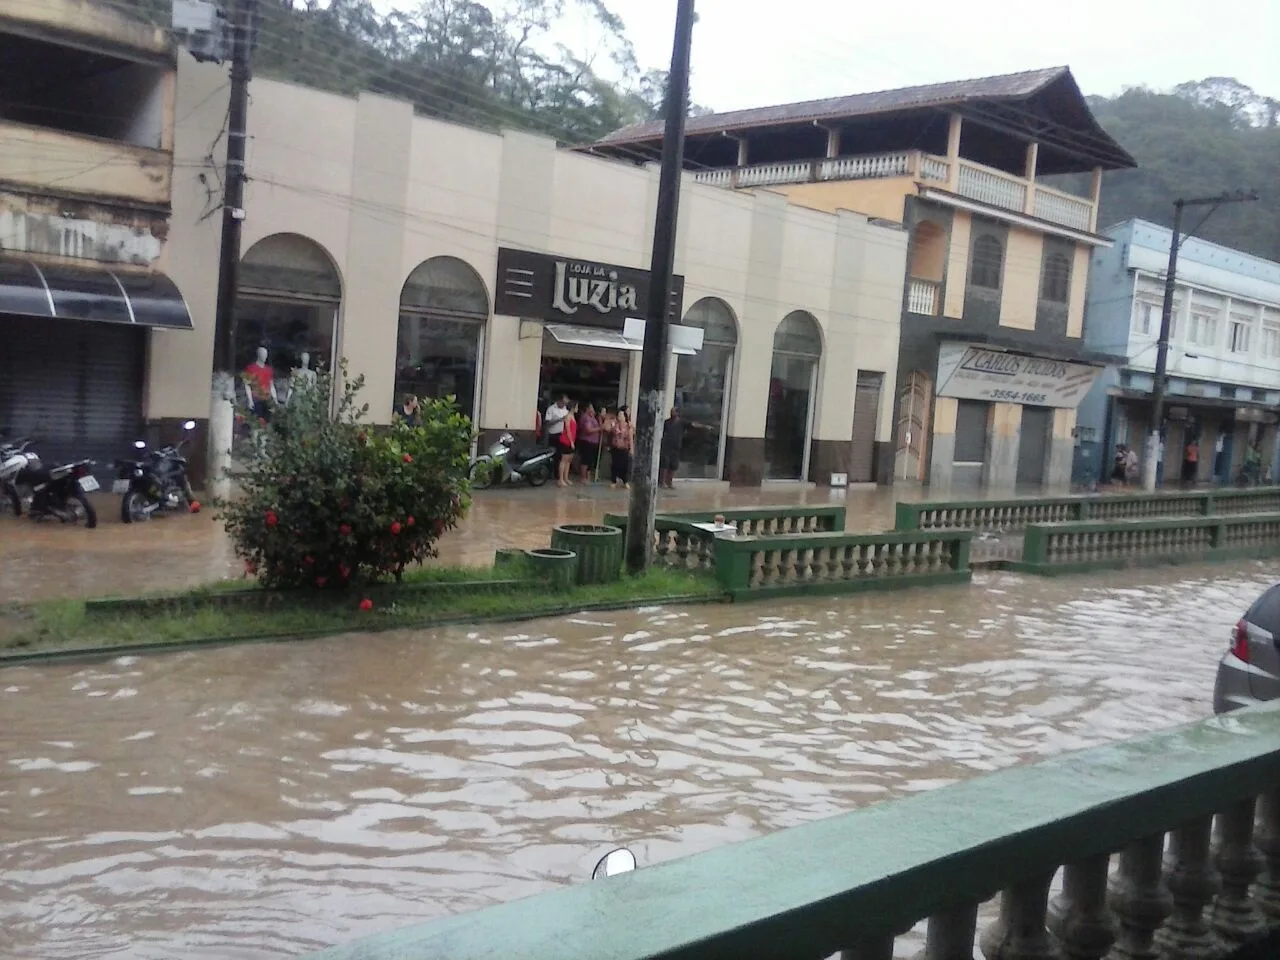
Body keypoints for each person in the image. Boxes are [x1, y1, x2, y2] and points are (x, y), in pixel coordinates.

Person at [544, 396, 570, 483]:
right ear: (559, 401)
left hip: (563, 435)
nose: (564, 405)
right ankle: (550, 473)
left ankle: (558, 475)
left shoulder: (566, 410)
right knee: (552, 455)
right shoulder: (551, 409)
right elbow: (548, 422)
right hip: (554, 435)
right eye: (563, 402)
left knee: (561, 456)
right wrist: (559, 420)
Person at [659, 407, 683, 489]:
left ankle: (669, 482)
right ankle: (662, 482)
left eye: (673, 412)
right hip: (666, 446)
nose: (672, 413)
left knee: (673, 465)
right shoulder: (667, 422)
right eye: (671, 412)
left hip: (676, 447)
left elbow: (692, 425)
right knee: (665, 464)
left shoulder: (681, 423)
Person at [609, 406, 633, 488]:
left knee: (624, 465)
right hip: (615, 448)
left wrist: (631, 449)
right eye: (619, 414)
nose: (620, 416)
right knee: (615, 464)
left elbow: (630, 438)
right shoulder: (614, 424)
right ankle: (613, 480)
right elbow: (608, 429)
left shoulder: (628, 426)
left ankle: (625, 481)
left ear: (625, 417)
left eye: (621, 415)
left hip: (624, 448)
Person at [578, 403, 602, 483]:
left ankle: (587, 477)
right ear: (587, 408)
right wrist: (600, 428)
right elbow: (588, 430)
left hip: (593, 442)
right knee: (585, 460)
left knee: (589, 460)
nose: (593, 409)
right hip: (587, 441)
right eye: (591, 407)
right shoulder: (586, 417)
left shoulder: (593, 417)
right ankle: (583, 477)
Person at [558, 402, 579, 486]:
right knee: (564, 460)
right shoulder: (568, 416)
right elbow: (568, 430)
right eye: (576, 407)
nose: (577, 408)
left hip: (572, 440)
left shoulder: (573, 416)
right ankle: (560, 479)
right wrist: (571, 442)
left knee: (569, 460)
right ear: (572, 408)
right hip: (566, 441)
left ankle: (566, 478)